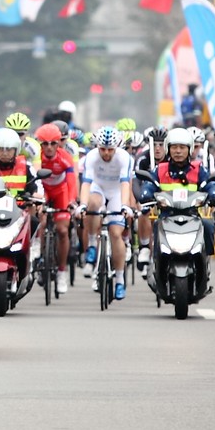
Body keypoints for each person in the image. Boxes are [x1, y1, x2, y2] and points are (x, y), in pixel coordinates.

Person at [138, 128, 215, 267]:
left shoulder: (199, 169)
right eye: (174, 147)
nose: (178, 151)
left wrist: (214, 194)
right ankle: (157, 264)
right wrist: (146, 193)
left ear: (190, 149)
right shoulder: (160, 169)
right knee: (157, 224)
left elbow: (210, 184)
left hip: (193, 215)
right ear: (168, 149)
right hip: (167, 215)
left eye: (182, 147)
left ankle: (204, 261)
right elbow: (149, 183)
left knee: (207, 224)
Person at [79, 127, 136, 300]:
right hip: (98, 188)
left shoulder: (124, 157)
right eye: (102, 149)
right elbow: (86, 183)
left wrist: (125, 206)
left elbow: (125, 183)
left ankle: (119, 280)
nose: (106, 153)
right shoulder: (91, 157)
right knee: (93, 203)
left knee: (115, 234)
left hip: (117, 192)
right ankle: (92, 244)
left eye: (110, 149)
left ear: (116, 147)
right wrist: (82, 205)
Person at [35, 123, 77, 294]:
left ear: (59, 142)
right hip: (44, 191)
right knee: (42, 221)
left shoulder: (65, 157)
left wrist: (72, 201)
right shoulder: (37, 157)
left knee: (62, 230)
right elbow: (34, 179)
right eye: (45, 144)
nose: (49, 147)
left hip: (61, 192)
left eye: (53, 143)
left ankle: (61, 272)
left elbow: (72, 182)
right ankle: (39, 256)